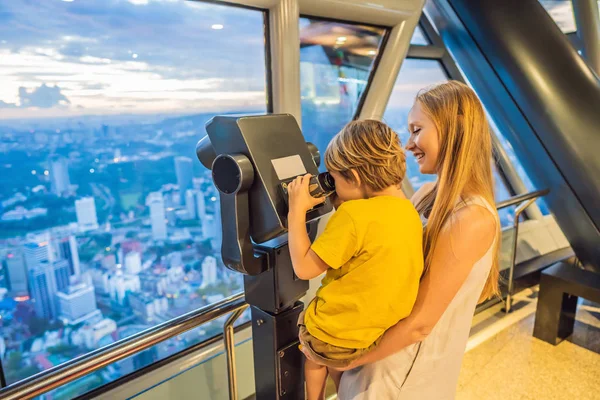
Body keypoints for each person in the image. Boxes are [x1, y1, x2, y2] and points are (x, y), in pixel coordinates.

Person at [303, 81, 501, 399]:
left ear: (453, 130)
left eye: (417, 130)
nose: (409, 145)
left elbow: (421, 323)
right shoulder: (426, 195)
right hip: (378, 359)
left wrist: (338, 358)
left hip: (404, 377)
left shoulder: (472, 219)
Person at [286, 120, 424, 400]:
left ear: (355, 178)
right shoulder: (406, 209)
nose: (332, 186)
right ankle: (343, 390)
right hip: (375, 332)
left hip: (334, 336)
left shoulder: (352, 217)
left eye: (334, 179)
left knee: (313, 348)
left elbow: (303, 268)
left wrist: (295, 212)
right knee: (339, 361)